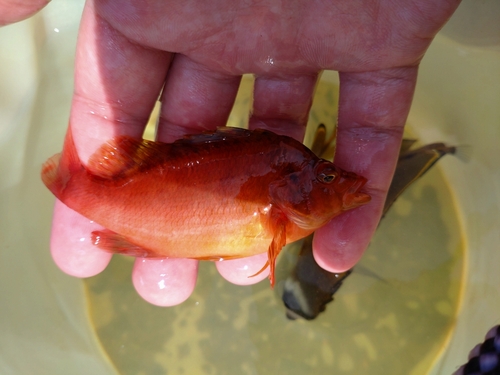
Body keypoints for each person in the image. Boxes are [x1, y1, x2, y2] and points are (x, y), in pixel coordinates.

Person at [2, 0, 461, 306]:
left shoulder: (286, 192)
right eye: (323, 177)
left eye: (326, 175)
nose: (339, 179)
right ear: (289, 191)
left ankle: (80, 187)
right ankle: (79, 186)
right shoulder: (283, 210)